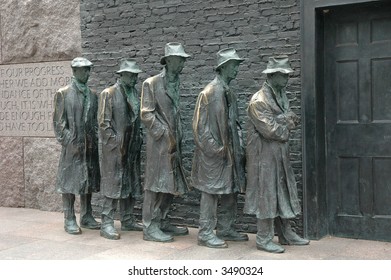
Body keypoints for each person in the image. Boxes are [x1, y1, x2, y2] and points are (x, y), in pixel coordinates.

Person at [244, 56, 309, 253]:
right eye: (284, 75)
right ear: (272, 76)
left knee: (282, 191)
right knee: (267, 194)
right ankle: (264, 238)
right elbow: (271, 130)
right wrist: (285, 122)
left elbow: (287, 121)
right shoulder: (259, 101)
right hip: (264, 156)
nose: (288, 78)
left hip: (279, 153)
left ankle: (286, 233)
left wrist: (283, 121)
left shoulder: (281, 95)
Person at [192, 48, 248, 249]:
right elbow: (200, 127)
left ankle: (226, 227)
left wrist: (239, 147)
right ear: (224, 67)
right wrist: (215, 149)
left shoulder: (228, 91)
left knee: (231, 190)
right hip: (214, 155)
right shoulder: (209, 92)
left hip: (230, 152)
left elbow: (236, 123)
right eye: (234, 66)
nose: (237, 70)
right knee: (211, 192)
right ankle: (206, 233)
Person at [140, 42, 191, 242]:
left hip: (174, 141)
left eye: (183, 61)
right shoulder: (151, 83)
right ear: (169, 61)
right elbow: (146, 114)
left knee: (171, 184)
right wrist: (164, 133)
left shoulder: (176, 82)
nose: (182, 65)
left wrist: (178, 134)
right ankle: (149, 227)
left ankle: (162, 219)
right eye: (180, 60)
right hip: (159, 144)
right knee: (154, 185)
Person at [53, 57, 101, 235]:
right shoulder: (63, 93)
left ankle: (87, 215)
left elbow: (95, 121)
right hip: (72, 148)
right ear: (74, 71)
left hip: (90, 147)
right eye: (84, 70)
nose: (87, 73)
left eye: (89, 69)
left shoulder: (93, 94)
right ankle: (69, 218)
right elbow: (59, 123)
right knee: (69, 184)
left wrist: (95, 139)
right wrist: (69, 141)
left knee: (87, 180)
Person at [98, 59, 144, 240]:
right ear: (121, 75)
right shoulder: (108, 94)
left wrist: (139, 136)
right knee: (113, 184)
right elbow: (103, 123)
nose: (135, 78)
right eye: (132, 75)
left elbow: (138, 118)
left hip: (132, 147)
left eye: (136, 75)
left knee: (130, 183)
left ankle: (128, 219)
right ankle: (107, 222)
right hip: (115, 150)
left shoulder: (134, 93)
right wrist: (115, 142)